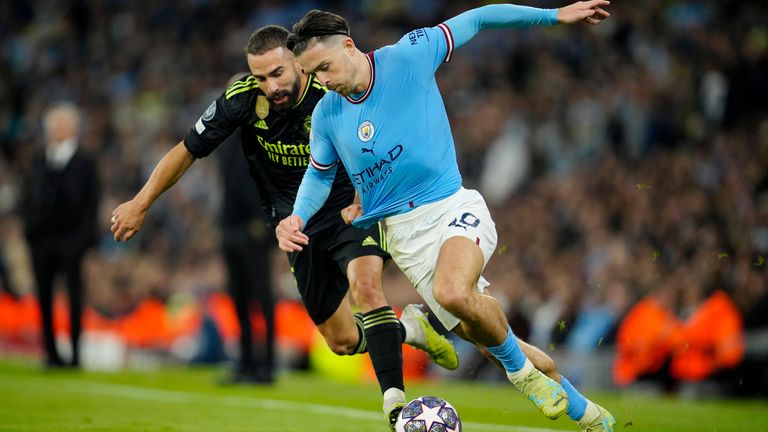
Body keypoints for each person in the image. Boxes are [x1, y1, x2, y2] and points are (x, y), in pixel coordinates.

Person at [277, 3, 616, 431]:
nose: (323, 81)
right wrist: (297, 218)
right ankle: (591, 416)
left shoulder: (408, 56)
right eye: (313, 75)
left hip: (452, 208)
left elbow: (478, 18)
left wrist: (553, 16)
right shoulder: (327, 114)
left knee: (455, 293)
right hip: (405, 240)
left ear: (348, 46)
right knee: (499, 341)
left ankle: (524, 379)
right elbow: (318, 175)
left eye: (324, 67)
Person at [109, 25, 458, 425]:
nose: (269, 86)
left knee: (366, 287)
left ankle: (396, 407)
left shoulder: (332, 88)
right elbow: (187, 151)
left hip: (350, 209)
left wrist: (373, 192)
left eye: (277, 73)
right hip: (297, 226)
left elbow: (381, 131)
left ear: (299, 62)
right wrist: (140, 202)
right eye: (260, 77)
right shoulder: (241, 100)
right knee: (341, 341)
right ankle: (410, 330)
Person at [22, 102, 100, 368]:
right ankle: (51, 353)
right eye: (53, 125)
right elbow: (28, 197)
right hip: (42, 239)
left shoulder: (85, 161)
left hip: (72, 239)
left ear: (73, 128)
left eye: (60, 124)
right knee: (43, 296)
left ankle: (76, 353)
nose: (55, 130)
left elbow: (91, 202)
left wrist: (85, 239)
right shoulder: (38, 159)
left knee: (75, 295)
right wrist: (30, 233)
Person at [217, 113, 276, 384]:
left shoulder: (263, 136)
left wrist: (263, 222)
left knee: (262, 299)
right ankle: (246, 362)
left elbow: (267, 180)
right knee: (239, 300)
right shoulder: (226, 138)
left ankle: (268, 364)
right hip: (230, 228)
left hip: (254, 230)